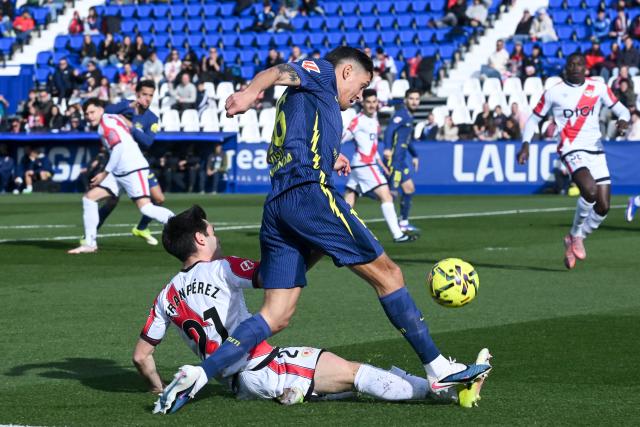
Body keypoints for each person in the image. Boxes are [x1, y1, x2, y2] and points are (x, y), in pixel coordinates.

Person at [157, 46, 491, 413]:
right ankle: (439, 369)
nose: (360, 95)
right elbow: (279, 71)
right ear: (346, 72)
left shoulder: (316, 102)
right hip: (308, 195)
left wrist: (333, 155)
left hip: (278, 205)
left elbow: (299, 135)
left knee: (276, 314)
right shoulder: (322, 75)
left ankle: (200, 374)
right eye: (361, 85)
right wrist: (251, 92)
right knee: (389, 275)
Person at [143, 206, 492, 413]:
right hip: (264, 365)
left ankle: (296, 392)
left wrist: (158, 388)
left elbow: (142, 356)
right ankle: (444, 391)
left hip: (238, 383)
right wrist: (318, 248)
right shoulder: (222, 268)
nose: (215, 236)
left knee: (338, 381)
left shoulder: (165, 294)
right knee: (358, 374)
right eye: (212, 231)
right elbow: (274, 277)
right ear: (201, 239)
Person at [517, 53, 630, 269]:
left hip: (596, 148)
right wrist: (525, 144)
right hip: (571, 148)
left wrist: (623, 121)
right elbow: (533, 118)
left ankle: (574, 238)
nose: (575, 67)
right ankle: (577, 235)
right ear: (566, 68)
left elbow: (621, 109)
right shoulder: (554, 92)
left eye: (579, 64)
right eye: (571, 64)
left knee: (604, 206)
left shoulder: (598, 88)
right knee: (590, 190)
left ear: (586, 68)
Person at [67, 98, 174, 254]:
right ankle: (90, 244)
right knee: (89, 198)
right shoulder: (113, 117)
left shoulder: (105, 124)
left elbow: (118, 147)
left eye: (92, 112)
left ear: (101, 109)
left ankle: (182, 225)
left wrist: (104, 173)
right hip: (120, 170)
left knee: (146, 208)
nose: (89, 116)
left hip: (132, 168)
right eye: (87, 113)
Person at [88, 80, 165, 246]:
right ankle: (90, 235)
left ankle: (141, 228)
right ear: (137, 94)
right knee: (110, 201)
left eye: (150, 95)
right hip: (120, 162)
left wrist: (131, 127)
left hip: (138, 164)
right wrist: (128, 106)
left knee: (158, 198)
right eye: (144, 94)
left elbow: (148, 142)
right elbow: (106, 111)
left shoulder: (152, 118)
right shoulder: (125, 106)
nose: (147, 99)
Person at [342, 89, 415, 243]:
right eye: (368, 102)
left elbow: (373, 149)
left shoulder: (374, 121)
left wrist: (382, 164)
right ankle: (398, 234)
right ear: (362, 103)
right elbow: (343, 136)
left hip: (363, 165)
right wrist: (331, 150)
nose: (372, 105)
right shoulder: (358, 120)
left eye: (374, 102)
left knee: (349, 200)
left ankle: (337, 233)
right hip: (365, 165)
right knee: (386, 195)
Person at [384, 89, 421, 234]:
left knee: (409, 189)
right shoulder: (401, 114)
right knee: (391, 193)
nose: (414, 102)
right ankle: (395, 228)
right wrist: (387, 148)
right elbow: (389, 131)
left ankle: (403, 223)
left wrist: (415, 155)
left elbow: (407, 139)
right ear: (406, 100)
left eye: (417, 99)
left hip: (401, 161)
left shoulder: (409, 116)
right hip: (394, 160)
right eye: (411, 99)